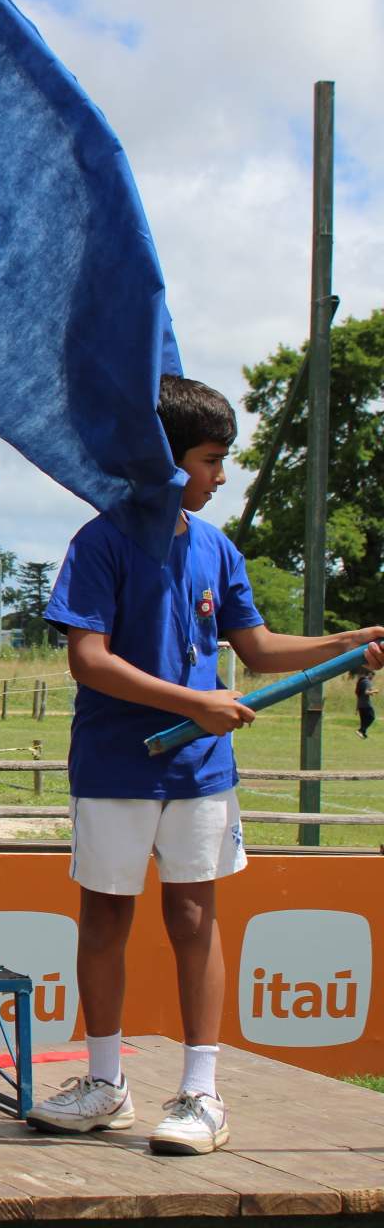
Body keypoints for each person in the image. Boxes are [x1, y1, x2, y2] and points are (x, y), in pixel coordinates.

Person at [29, 375, 384, 1155]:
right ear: (166, 459)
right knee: (105, 917)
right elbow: (89, 659)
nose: (222, 475)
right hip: (115, 765)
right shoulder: (101, 540)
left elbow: (257, 648)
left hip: (199, 772)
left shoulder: (217, 548)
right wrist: (194, 702)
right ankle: (104, 1084)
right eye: (212, 459)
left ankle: (201, 1093)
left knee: (193, 916)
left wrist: (344, 642)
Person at [358, 669, 374, 739]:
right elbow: (366, 692)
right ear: (370, 674)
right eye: (372, 676)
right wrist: (374, 691)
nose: (372, 678)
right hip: (366, 703)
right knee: (371, 717)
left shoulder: (361, 681)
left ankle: (363, 734)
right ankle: (361, 730)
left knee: (364, 720)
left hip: (360, 703)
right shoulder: (366, 681)